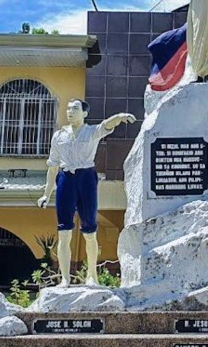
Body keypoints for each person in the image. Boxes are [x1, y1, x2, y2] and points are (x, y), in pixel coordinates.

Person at [37, 99, 135, 286]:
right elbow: (52, 167)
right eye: (68, 108)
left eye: (75, 108)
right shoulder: (59, 136)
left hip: (87, 179)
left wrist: (119, 117)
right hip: (66, 179)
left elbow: (106, 124)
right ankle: (64, 278)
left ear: (84, 113)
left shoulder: (91, 132)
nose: (70, 111)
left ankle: (92, 275)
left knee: (90, 229)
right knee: (64, 230)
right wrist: (46, 193)